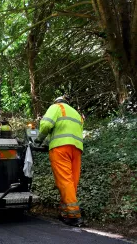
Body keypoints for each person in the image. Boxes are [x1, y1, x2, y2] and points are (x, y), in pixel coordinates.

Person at [35, 96, 84, 227]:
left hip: (60, 149)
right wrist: (48, 142)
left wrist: (39, 140)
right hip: (77, 148)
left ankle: (74, 215)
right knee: (72, 182)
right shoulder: (75, 112)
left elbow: (46, 125)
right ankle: (65, 213)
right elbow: (69, 130)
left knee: (64, 181)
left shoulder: (56, 107)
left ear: (56, 102)